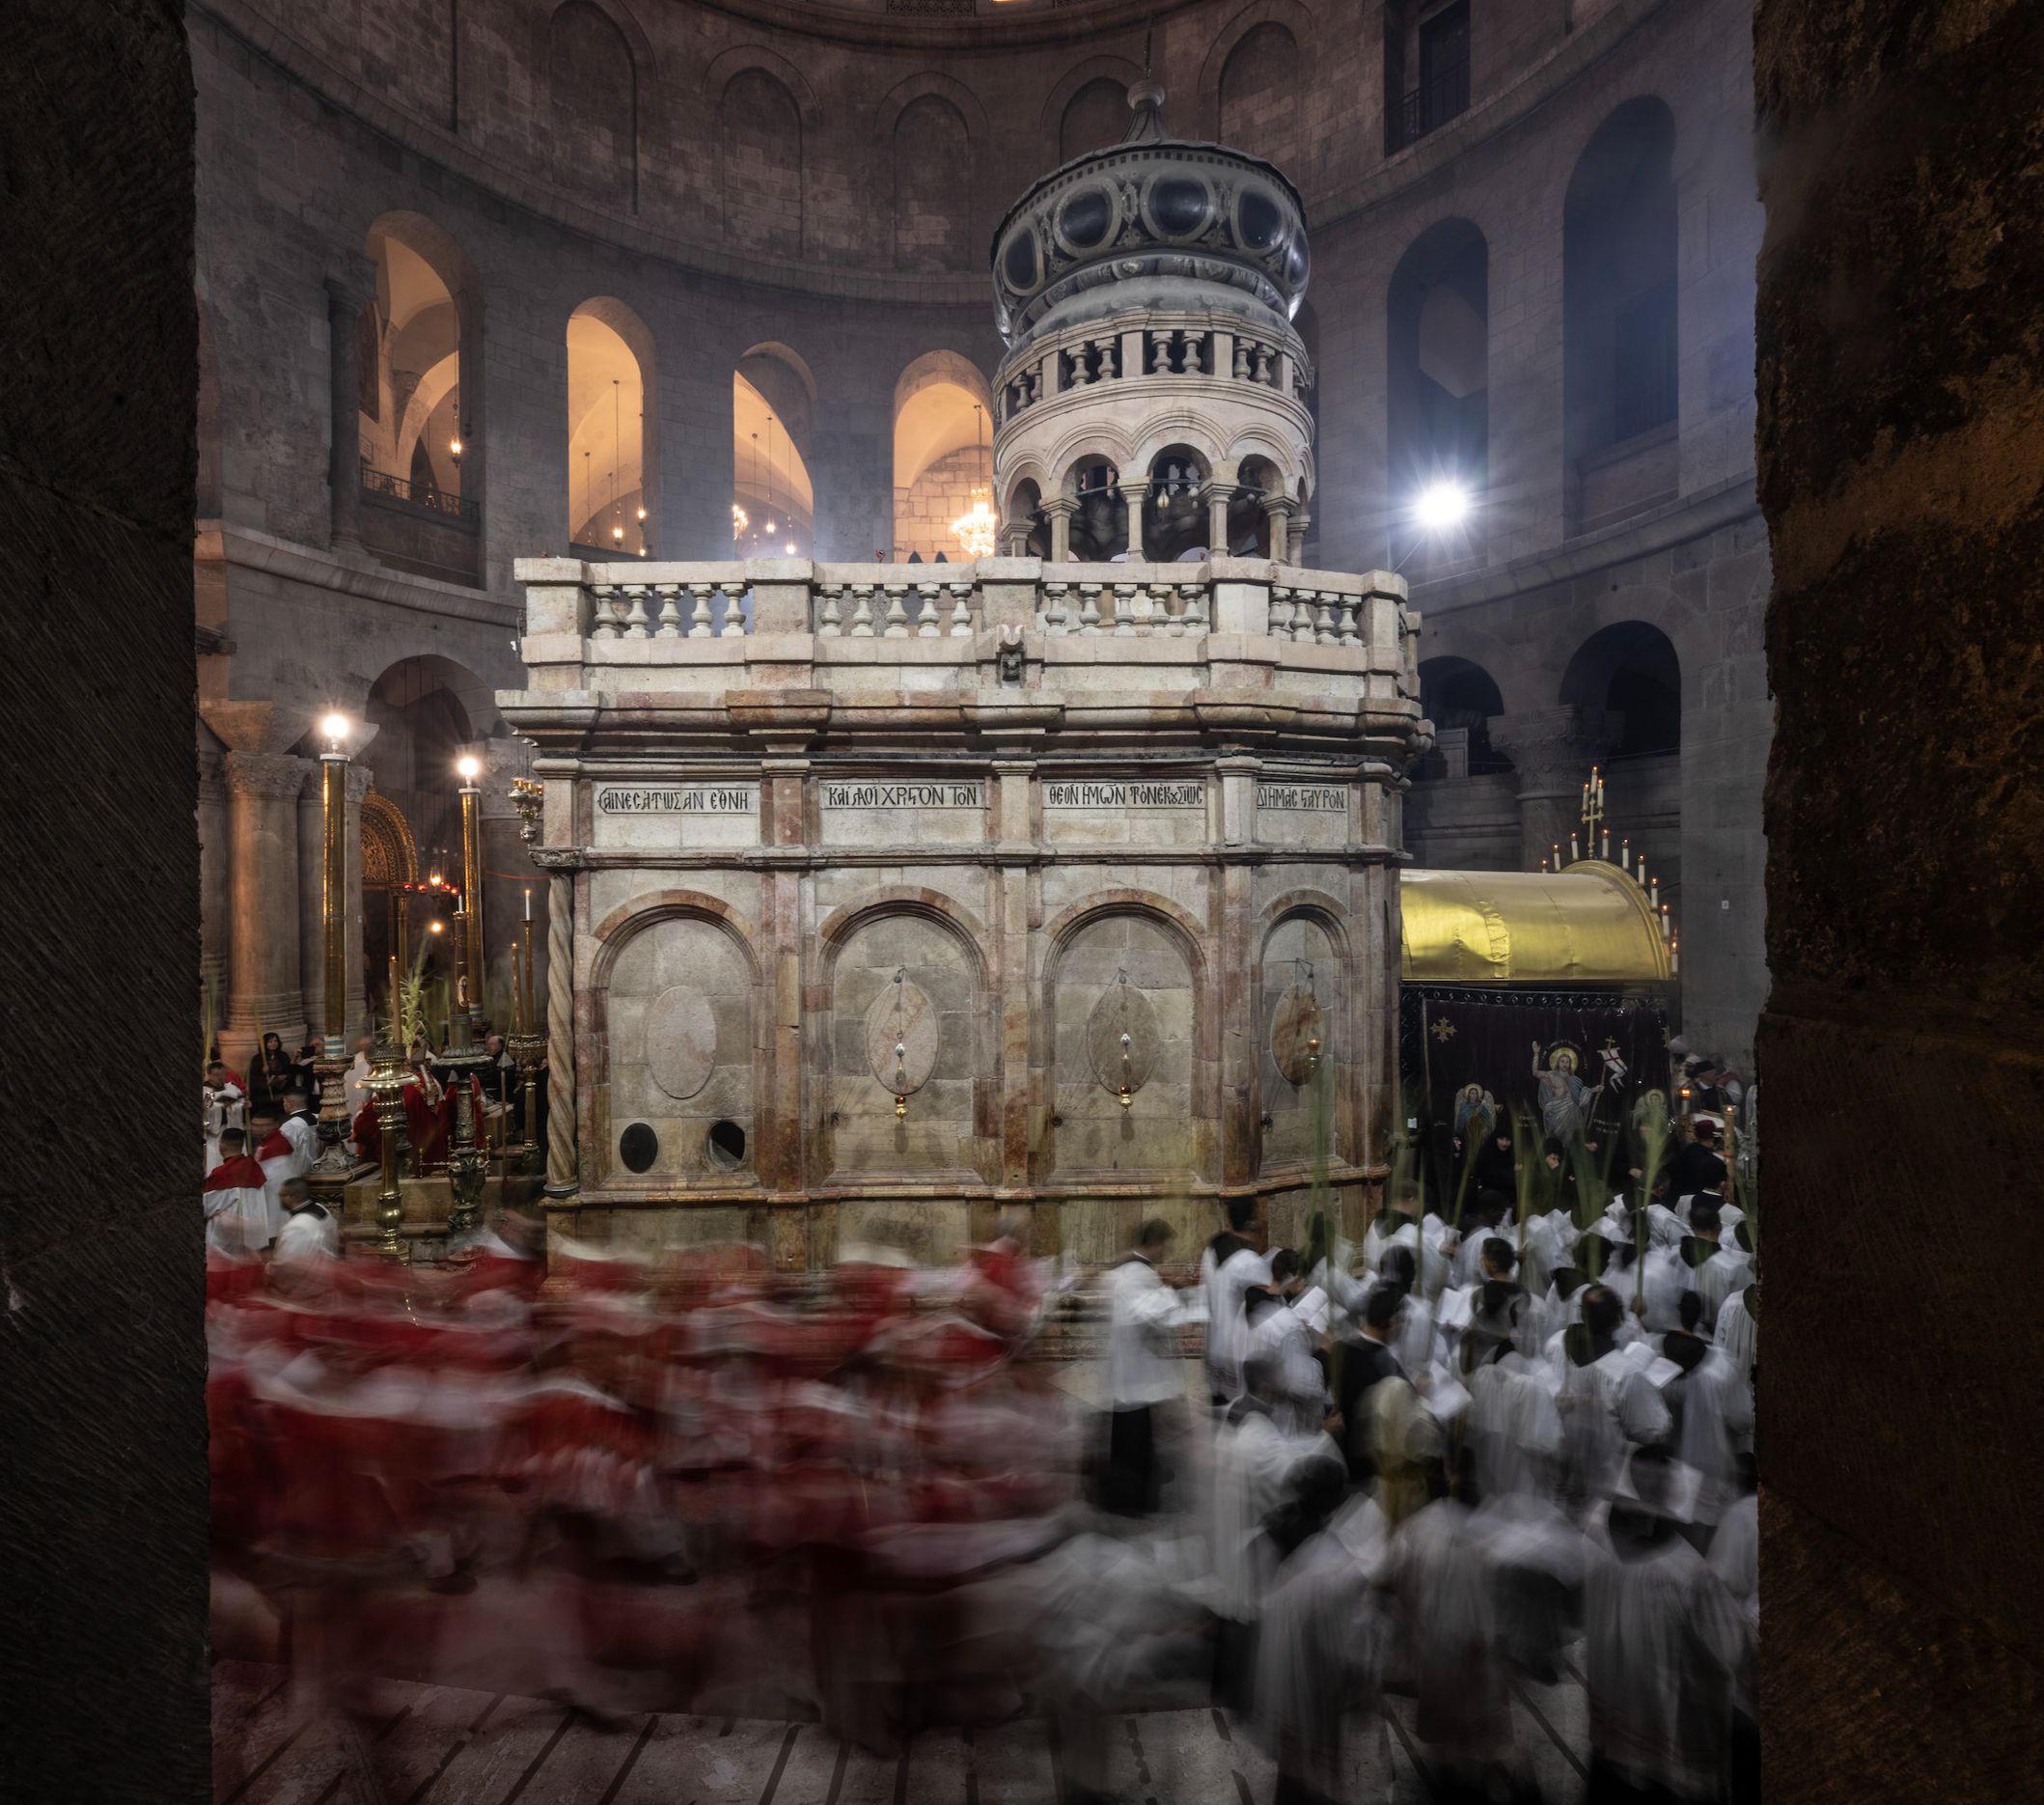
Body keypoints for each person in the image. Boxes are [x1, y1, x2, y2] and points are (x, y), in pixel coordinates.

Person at [1583, 1447, 1745, 1804]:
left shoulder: (1596, 1545)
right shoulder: (1688, 1575)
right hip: (1669, 1742)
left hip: (1612, 1725)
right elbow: (1729, 1651)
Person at [1103, 1217, 1198, 1515]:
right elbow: (1147, 1312)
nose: (1165, 1253)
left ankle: (1132, 1494)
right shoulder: (1138, 1273)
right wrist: (1176, 1294)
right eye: (1164, 1246)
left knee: (1132, 1438)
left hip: (1131, 1372)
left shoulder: (1131, 1270)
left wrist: (1166, 1285)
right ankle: (1133, 1500)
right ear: (1154, 1244)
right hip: (1137, 1374)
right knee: (1134, 1440)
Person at [1201, 1198, 1268, 1406]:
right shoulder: (1249, 1261)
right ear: (1251, 1223)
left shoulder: (1211, 1249)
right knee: (1240, 1413)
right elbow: (1265, 1307)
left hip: (1214, 1344)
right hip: (1239, 1350)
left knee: (1219, 1407)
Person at [203, 1126, 273, 1255]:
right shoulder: (255, 1168)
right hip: (254, 1236)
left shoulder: (222, 1175)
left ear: (222, 1146)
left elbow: (205, 1206)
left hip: (228, 1241)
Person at [272, 1175, 340, 1265]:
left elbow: (286, 1263)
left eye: (282, 1195)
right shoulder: (322, 1209)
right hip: (327, 1268)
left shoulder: (297, 1227)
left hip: (309, 1275)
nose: (279, 1199)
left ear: (293, 1197)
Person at [246, 1029, 293, 1112]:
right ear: (265, 1043)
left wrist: (284, 1076)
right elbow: (251, 1077)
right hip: (264, 1092)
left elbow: (290, 1071)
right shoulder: (258, 1058)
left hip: (280, 1089)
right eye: (270, 1042)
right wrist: (262, 1072)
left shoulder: (283, 1056)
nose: (273, 1043)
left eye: (275, 1041)